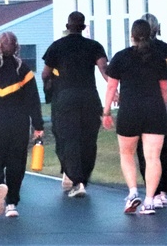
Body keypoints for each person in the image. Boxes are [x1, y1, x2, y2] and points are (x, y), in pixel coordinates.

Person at [0, 32, 44, 219]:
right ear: (17, 47)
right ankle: (12, 203)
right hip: (18, 123)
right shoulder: (24, 70)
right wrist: (38, 125)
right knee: (16, 163)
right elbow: (33, 101)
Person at [102, 19, 167, 216]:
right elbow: (165, 89)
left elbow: (112, 87)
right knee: (152, 157)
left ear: (131, 36)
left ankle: (133, 193)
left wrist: (106, 112)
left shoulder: (121, 57)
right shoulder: (158, 57)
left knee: (127, 154)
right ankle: (149, 201)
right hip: (154, 110)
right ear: (150, 34)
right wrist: (164, 110)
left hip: (129, 110)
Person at [41, 11, 108, 198]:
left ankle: (75, 179)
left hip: (65, 97)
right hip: (89, 97)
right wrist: (115, 89)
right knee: (88, 139)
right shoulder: (94, 46)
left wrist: (50, 88)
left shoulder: (56, 47)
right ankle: (83, 178)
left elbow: (45, 74)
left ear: (67, 26)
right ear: (84, 27)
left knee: (67, 138)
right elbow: (104, 69)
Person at [135, 13, 167, 208]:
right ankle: (164, 190)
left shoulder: (133, 52)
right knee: (163, 148)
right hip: (166, 105)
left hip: (141, 103)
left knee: (144, 149)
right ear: (157, 29)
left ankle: (153, 191)